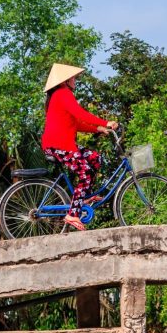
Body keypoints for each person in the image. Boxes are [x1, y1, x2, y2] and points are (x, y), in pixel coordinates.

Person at [40, 64, 119, 231]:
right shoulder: (62, 93)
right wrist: (105, 122)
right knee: (85, 172)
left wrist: (98, 129)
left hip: (64, 145)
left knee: (95, 158)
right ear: (65, 81)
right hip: (58, 146)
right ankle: (73, 214)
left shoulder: (60, 95)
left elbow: (75, 123)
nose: (75, 80)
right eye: (73, 78)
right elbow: (80, 114)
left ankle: (84, 197)